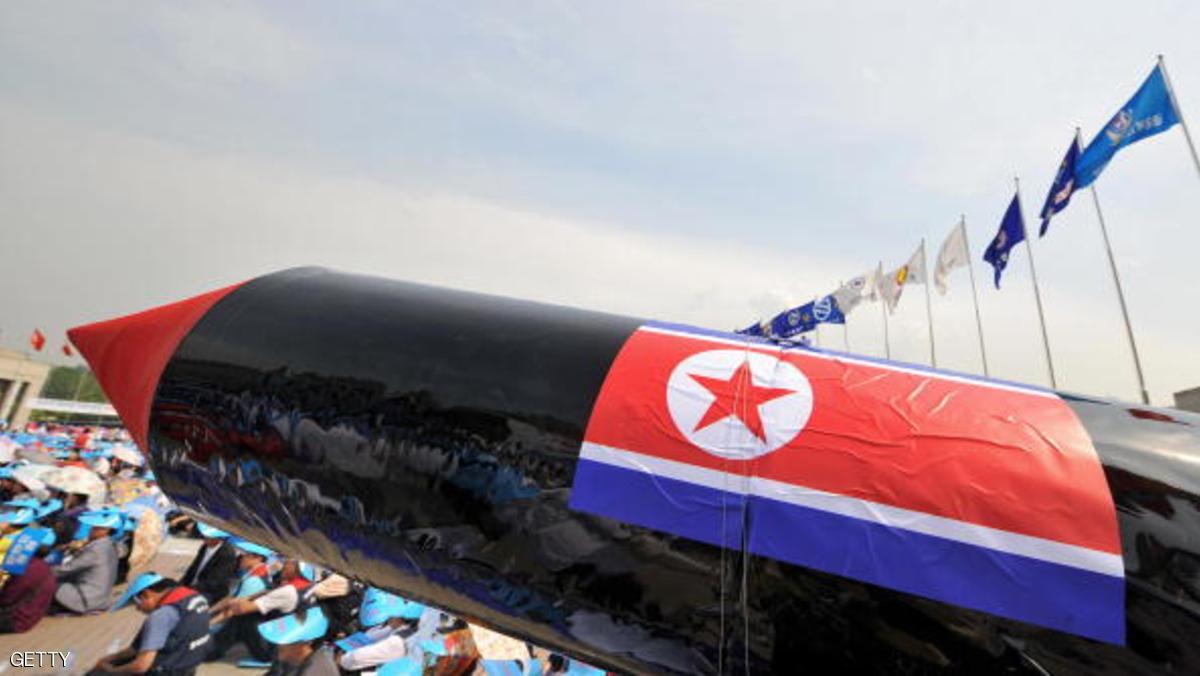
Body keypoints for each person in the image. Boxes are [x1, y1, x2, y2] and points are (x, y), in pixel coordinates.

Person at [90, 572, 211, 674]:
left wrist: (112, 671)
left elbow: (141, 666)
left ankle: (69, 659)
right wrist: (110, 658)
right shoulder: (192, 596)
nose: (138, 609)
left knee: (97, 673)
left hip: (167, 670)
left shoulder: (161, 616)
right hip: (188, 664)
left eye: (137, 604)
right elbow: (137, 648)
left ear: (147, 594)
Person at [205, 538, 277, 665]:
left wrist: (208, 624)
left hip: (254, 630)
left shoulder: (254, 581)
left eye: (246, 556)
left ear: (258, 559)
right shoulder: (255, 572)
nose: (241, 558)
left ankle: (210, 653)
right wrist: (208, 612)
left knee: (233, 623)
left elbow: (233, 609)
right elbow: (230, 598)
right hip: (251, 622)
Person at [336, 589, 426, 671]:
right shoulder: (400, 628)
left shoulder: (402, 639)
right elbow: (373, 636)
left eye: (390, 616)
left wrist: (342, 660)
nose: (388, 619)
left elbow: (356, 658)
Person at [53, 508, 120, 614]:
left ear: (105, 530)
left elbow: (67, 569)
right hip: (101, 598)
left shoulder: (96, 549)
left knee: (48, 584)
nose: (89, 531)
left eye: (93, 528)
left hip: (87, 599)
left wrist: (44, 572)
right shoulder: (109, 544)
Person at [0, 527, 57, 633]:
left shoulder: (28, 568)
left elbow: (7, 599)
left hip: (16, 620)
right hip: (30, 615)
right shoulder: (43, 566)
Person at [257, 606, 339, 676]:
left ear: (305, 643)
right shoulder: (290, 658)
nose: (278, 645)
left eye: (286, 641)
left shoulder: (316, 670)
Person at [179, 523, 237, 604]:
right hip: (195, 585)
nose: (205, 539)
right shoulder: (204, 547)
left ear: (218, 538)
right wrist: (182, 583)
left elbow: (216, 581)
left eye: (208, 537)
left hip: (210, 592)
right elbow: (194, 567)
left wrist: (190, 589)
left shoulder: (227, 554)